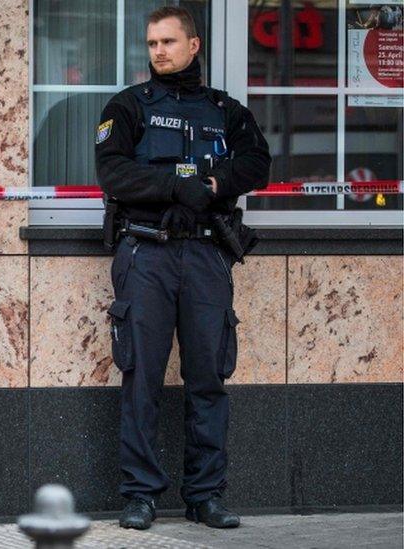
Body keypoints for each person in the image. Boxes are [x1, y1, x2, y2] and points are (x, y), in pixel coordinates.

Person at [94, 6, 271, 530]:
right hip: (145, 253)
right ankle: (140, 495)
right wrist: (174, 187)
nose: (158, 52)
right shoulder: (127, 107)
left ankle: (205, 495)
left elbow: (257, 162)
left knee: (208, 377)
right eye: (152, 44)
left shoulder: (226, 111)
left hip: (205, 255)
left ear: (193, 46)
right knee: (141, 377)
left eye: (168, 42)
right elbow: (113, 172)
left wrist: (213, 187)